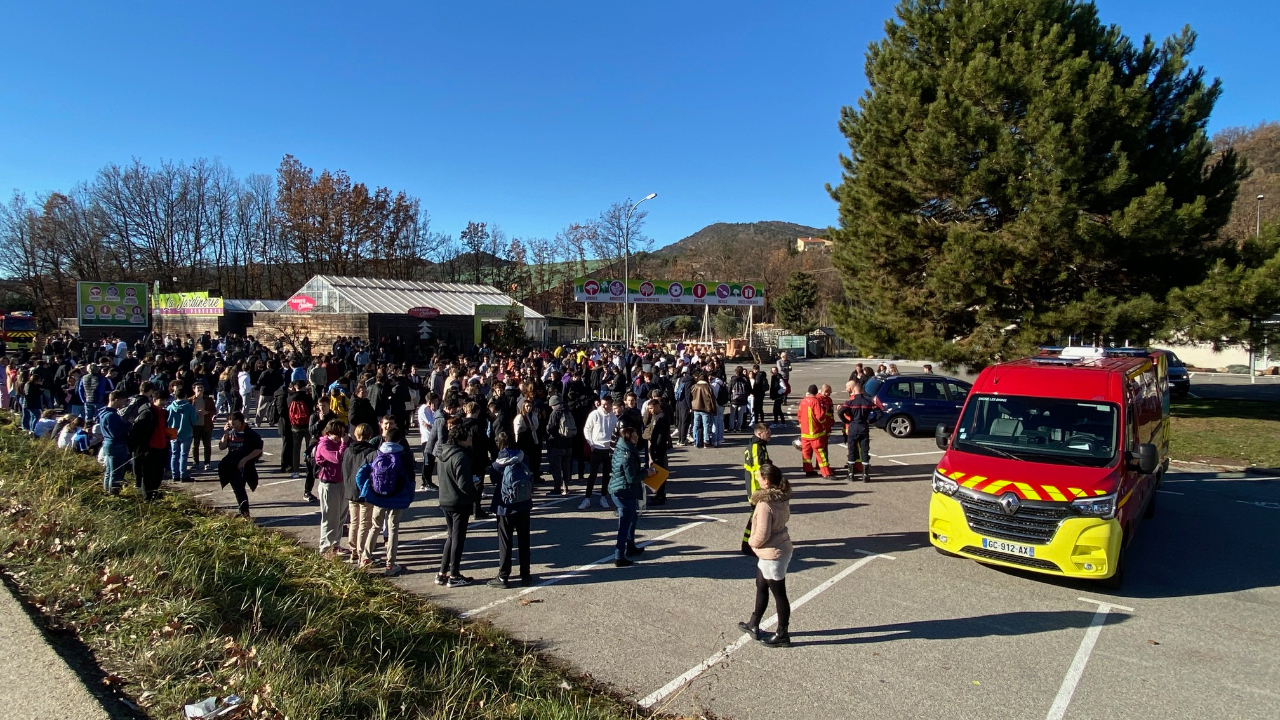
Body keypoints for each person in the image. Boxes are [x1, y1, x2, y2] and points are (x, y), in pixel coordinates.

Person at [738, 462, 793, 647]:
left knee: (779, 594)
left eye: (759, 477)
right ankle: (754, 623)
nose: (757, 479)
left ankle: (782, 633)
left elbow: (762, 534)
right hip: (779, 547)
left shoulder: (764, 504)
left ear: (767, 481)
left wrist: (751, 543)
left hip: (772, 553)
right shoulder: (782, 497)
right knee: (761, 585)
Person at [356, 415, 416, 576]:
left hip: (378, 496)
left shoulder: (376, 453)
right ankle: (391, 564)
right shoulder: (403, 456)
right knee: (393, 529)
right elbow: (410, 480)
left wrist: (366, 490)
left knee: (375, 526)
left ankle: (365, 558)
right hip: (397, 497)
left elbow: (361, 474)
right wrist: (409, 497)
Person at [436, 417, 480, 587]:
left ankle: (442, 572)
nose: (470, 440)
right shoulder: (460, 457)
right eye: (468, 437)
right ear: (461, 440)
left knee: (450, 536)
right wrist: (475, 490)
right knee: (458, 538)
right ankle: (454, 575)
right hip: (458, 502)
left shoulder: (442, 453)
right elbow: (464, 484)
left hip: (445, 499)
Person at [488, 432, 534, 588]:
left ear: (499, 444)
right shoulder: (523, 457)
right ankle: (525, 574)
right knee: (524, 540)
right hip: (523, 503)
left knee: (505, 542)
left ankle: (503, 576)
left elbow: (494, 481)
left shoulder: (497, 464)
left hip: (505, 506)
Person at [609, 419, 646, 567]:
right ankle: (619, 556)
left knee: (632, 518)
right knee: (625, 523)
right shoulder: (628, 455)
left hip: (618, 490)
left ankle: (630, 546)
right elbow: (632, 478)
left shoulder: (620, 449)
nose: (637, 439)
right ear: (628, 438)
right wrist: (646, 472)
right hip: (624, 491)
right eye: (635, 437)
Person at [342, 423, 380, 565]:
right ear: (370, 436)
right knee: (365, 523)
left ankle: (353, 552)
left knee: (354, 521)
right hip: (365, 490)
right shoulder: (371, 452)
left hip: (350, 489)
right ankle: (362, 552)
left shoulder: (348, 450)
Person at [217, 411, 264, 516]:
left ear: (240, 420)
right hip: (232, 465)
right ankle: (243, 511)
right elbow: (222, 447)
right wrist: (225, 433)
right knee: (238, 489)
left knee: (240, 489)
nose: (232, 422)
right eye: (230, 420)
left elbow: (258, 450)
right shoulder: (230, 432)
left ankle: (244, 512)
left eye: (234, 420)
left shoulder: (250, 434)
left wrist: (245, 460)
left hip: (245, 467)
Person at [313, 418, 348, 556]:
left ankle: (335, 545)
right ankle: (325, 548)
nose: (340, 438)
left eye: (342, 435)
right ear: (330, 432)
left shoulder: (339, 442)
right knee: (329, 518)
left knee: (341, 517)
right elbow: (336, 458)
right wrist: (343, 445)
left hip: (341, 483)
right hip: (329, 484)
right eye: (338, 435)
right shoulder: (324, 445)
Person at [129, 389, 169, 500]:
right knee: (147, 474)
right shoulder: (147, 413)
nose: (165, 402)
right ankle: (147, 497)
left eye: (166, 400)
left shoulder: (164, 413)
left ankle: (154, 493)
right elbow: (136, 432)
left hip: (162, 446)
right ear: (155, 400)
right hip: (149, 448)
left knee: (158, 474)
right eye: (162, 400)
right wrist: (139, 448)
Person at [581, 397, 616, 510]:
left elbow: (616, 432)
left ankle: (603, 497)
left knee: (606, 475)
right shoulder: (594, 414)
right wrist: (590, 443)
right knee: (592, 474)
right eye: (603, 404)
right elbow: (587, 429)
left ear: (611, 405)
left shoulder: (613, 417)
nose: (604, 406)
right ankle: (587, 498)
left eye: (606, 404)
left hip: (608, 449)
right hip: (596, 448)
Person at [838, 380, 876, 482]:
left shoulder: (850, 402)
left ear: (854, 390)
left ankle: (851, 475)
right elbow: (879, 413)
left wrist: (847, 421)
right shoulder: (868, 402)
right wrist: (870, 421)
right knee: (864, 451)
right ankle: (865, 475)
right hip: (864, 427)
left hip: (853, 427)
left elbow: (840, 412)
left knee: (852, 451)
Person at [98, 390, 132, 495]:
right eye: (123, 400)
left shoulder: (104, 412)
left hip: (108, 444)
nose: (124, 403)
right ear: (116, 399)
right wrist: (128, 424)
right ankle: (113, 493)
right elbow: (116, 433)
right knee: (116, 472)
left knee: (109, 471)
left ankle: (106, 490)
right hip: (116, 444)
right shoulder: (112, 416)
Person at [797, 384, 834, 478]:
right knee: (821, 453)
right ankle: (826, 473)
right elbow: (820, 416)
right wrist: (825, 425)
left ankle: (808, 470)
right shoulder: (815, 401)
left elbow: (799, 416)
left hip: (805, 434)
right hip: (815, 433)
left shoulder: (803, 401)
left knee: (806, 454)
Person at [643, 390, 671, 505]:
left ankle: (660, 495)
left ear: (656, 406)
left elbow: (660, 436)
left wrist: (657, 449)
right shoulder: (655, 417)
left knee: (659, 471)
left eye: (651, 408)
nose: (650, 411)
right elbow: (646, 424)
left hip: (659, 448)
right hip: (656, 447)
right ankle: (659, 494)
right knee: (657, 470)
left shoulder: (662, 418)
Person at [544, 393, 575, 496]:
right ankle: (566, 487)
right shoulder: (568, 411)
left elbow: (551, 428)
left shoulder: (555, 413)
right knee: (566, 467)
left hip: (557, 444)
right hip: (569, 443)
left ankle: (557, 488)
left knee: (556, 467)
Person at [166, 385, 198, 482]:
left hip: (172, 432)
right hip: (186, 431)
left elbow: (167, 420)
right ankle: (183, 475)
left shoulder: (170, 407)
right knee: (184, 455)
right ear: (185, 395)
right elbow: (194, 421)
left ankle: (174, 474)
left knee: (174, 454)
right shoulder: (189, 407)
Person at [287, 381, 314, 480]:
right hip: (307, 425)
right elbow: (311, 410)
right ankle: (309, 468)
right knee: (309, 448)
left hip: (295, 426)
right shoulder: (307, 397)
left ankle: (296, 470)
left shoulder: (290, 398)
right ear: (303, 387)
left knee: (296, 449)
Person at [191, 383, 214, 473]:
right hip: (195, 426)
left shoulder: (208, 400)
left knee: (207, 445)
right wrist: (195, 413)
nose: (200, 389)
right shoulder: (190, 400)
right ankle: (195, 463)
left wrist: (207, 412)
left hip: (206, 425)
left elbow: (214, 411)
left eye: (202, 388)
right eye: (198, 388)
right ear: (194, 389)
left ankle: (207, 463)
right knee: (195, 446)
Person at [689, 372, 716, 449]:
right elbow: (712, 399)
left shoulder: (694, 386)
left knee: (696, 424)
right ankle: (706, 441)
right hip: (706, 408)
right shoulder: (708, 387)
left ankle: (695, 440)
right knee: (706, 425)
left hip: (696, 407)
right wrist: (714, 409)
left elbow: (691, 396)